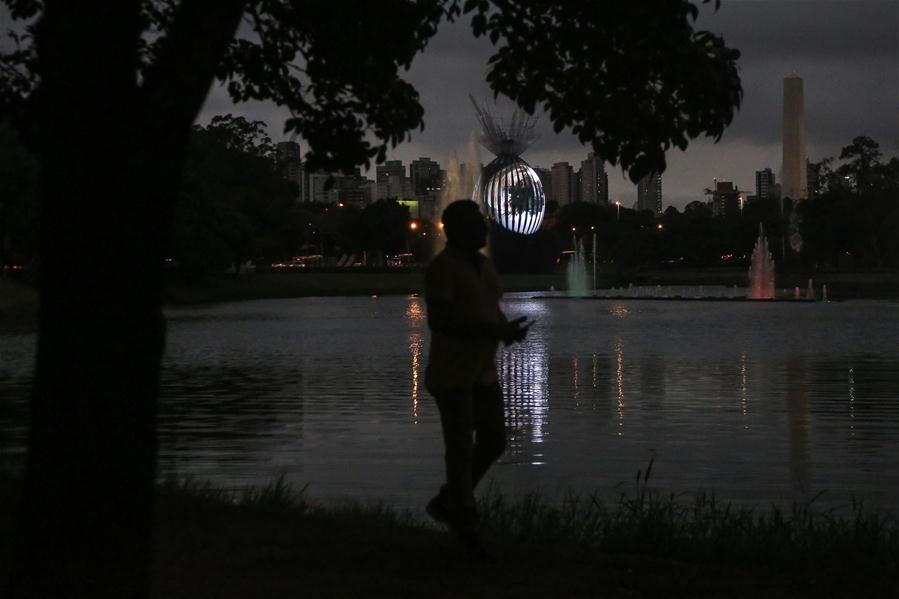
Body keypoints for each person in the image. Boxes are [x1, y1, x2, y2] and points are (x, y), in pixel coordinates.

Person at [423, 199, 530, 553]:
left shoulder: (485, 265)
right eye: (477, 223)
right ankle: (464, 521)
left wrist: (504, 329)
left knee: (494, 440)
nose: (485, 228)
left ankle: (448, 501)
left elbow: (490, 308)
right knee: (457, 449)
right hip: (452, 373)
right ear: (455, 230)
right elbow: (440, 321)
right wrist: (490, 331)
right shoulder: (442, 268)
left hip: (483, 372)